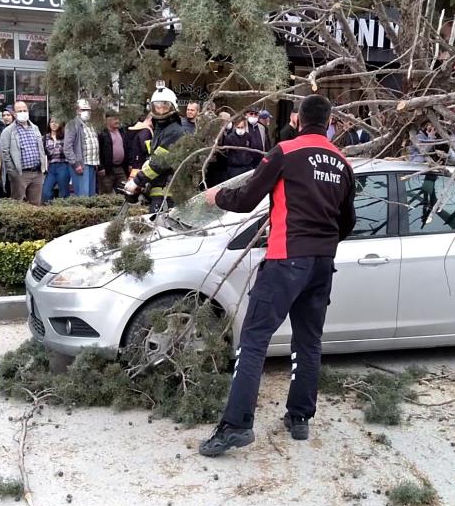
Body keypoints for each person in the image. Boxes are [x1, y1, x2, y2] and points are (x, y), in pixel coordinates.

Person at [198, 94, 356, 457]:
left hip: (287, 259)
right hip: (321, 263)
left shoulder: (285, 152)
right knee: (308, 341)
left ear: (298, 119)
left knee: (253, 340)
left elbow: (247, 199)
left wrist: (216, 197)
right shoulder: (343, 163)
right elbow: (347, 222)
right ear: (329, 122)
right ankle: (299, 417)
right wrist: (322, 243)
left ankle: (236, 425)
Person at [124, 83, 186, 212]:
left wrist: (137, 181)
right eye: (157, 107)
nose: (161, 110)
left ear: (173, 107)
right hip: (159, 189)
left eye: (165, 106)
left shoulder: (174, 131)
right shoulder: (161, 129)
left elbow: (159, 162)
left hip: (167, 192)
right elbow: (153, 158)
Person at [0, 101, 45, 204]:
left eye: (25, 110)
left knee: (35, 205)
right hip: (20, 174)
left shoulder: (35, 128)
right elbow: (4, 153)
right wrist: (14, 173)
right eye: (20, 111)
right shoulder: (8, 131)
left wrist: (43, 168)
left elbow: (41, 149)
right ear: (14, 114)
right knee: (18, 204)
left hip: (37, 173)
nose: (23, 113)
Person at [63, 99, 101, 197]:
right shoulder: (72, 124)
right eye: (83, 109)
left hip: (92, 164)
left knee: (91, 195)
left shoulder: (91, 125)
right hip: (81, 165)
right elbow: (67, 147)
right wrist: (75, 164)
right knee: (83, 196)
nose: (87, 112)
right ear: (77, 110)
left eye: (88, 110)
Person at [98, 111, 129, 194]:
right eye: (115, 119)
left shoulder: (122, 132)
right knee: (105, 193)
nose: (118, 121)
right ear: (108, 120)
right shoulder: (102, 134)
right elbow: (99, 151)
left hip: (120, 168)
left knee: (125, 190)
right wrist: (101, 167)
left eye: (118, 119)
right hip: (107, 169)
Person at [42, 119, 70, 203]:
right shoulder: (45, 138)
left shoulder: (65, 136)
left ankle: (64, 212)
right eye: (52, 122)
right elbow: (42, 153)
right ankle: (51, 211)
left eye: (56, 122)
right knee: (46, 192)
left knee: (64, 193)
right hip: (51, 168)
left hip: (63, 166)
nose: (54, 124)